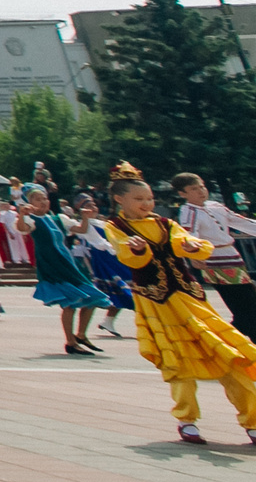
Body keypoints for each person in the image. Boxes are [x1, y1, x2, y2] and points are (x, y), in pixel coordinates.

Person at [101, 166, 256, 445]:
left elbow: (184, 239)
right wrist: (136, 249)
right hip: (158, 304)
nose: (147, 204)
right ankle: (187, 421)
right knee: (178, 363)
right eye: (139, 199)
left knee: (228, 355)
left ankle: (253, 421)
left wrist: (194, 247)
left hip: (189, 299)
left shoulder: (165, 223)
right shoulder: (116, 226)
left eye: (148, 198)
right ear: (120, 200)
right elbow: (125, 252)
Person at [17, 184, 110, 355]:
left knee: (94, 297)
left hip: (68, 262)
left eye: (44, 198)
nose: (43, 202)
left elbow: (81, 229)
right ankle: (70, 342)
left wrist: (85, 216)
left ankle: (81, 334)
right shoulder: (32, 220)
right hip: (51, 263)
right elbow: (22, 229)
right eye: (37, 199)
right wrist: (22, 215)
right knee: (70, 303)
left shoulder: (59, 218)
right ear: (29, 203)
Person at [173, 173, 256, 335]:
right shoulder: (188, 211)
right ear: (182, 194)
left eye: (202, 186)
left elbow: (240, 221)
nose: (201, 191)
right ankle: (228, 340)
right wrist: (193, 256)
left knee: (247, 306)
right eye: (193, 189)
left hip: (234, 258)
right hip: (214, 261)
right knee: (244, 306)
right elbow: (189, 235)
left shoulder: (216, 206)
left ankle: (227, 339)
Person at [71, 196, 134, 340]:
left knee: (123, 291)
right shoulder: (85, 225)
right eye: (88, 206)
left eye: (93, 205)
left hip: (114, 259)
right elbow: (99, 243)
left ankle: (108, 321)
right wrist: (119, 249)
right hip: (105, 260)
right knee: (124, 290)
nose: (92, 208)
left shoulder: (102, 223)